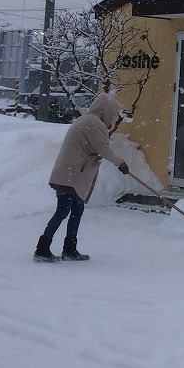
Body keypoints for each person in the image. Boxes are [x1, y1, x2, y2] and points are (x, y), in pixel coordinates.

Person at [34, 90, 129, 263]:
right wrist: (120, 163)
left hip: (73, 174)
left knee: (77, 210)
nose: (112, 118)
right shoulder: (92, 123)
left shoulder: (87, 120)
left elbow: (95, 148)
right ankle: (42, 248)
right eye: (111, 113)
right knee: (62, 211)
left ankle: (69, 249)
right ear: (104, 109)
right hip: (70, 174)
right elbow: (103, 148)